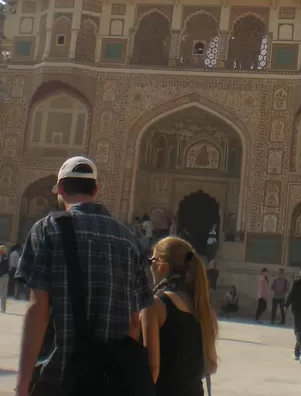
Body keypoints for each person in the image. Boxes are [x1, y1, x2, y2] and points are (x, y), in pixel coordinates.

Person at [14, 156, 154, 396]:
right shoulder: (128, 239)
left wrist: (23, 382)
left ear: (59, 189)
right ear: (96, 190)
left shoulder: (47, 229)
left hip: (58, 375)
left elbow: (38, 310)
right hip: (110, 379)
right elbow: (134, 320)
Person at [144, 236, 219, 396]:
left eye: (151, 261)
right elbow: (210, 366)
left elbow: (152, 369)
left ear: (160, 265)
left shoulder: (155, 305)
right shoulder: (200, 306)